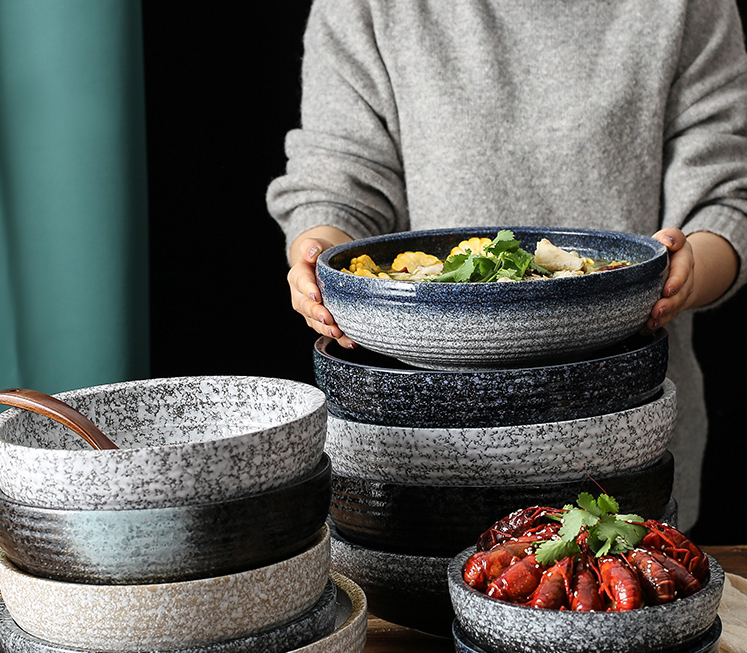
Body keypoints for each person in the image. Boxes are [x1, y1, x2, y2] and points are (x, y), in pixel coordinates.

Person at [266, 0, 747, 532]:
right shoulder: (365, 8)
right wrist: (316, 257)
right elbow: (340, 185)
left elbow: (726, 193)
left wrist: (686, 271)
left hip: (620, 435)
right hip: (414, 446)